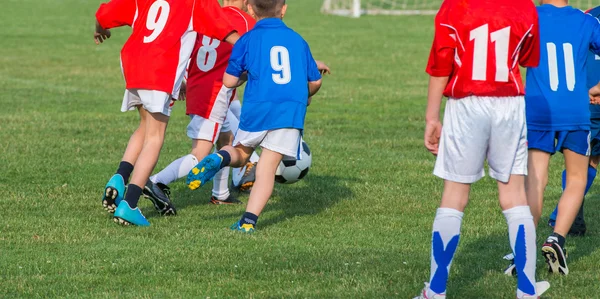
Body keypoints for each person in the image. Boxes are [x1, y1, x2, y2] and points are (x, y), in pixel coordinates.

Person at [415, 0, 550, 297]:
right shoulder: (525, 7)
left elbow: (441, 64)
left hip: (467, 103)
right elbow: (528, 57)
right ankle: (526, 290)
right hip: (508, 103)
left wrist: (431, 117)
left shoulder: (454, 5)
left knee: (454, 195)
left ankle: (436, 291)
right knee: (514, 196)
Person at [94, 0, 240, 226]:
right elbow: (226, 30)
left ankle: (120, 177)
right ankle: (130, 205)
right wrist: (252, 51)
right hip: (159, 69)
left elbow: (104, 13)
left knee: (144, 127)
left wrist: (100, 29)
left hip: (133, 62)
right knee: (155, 137)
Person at [185, 0, 324, 234]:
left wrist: (245, 76)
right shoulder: (298, 41)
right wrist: (304, 94)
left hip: (257, 107)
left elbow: (229, 81)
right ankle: (248, 221)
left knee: (240, 153)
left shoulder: (247, 39)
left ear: (250, 9)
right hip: (289, 111)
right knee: (267, 167)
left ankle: (220, 158)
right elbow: (315, 81)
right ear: (284, 9)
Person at [145, 0, 257, 206]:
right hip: (214, 96)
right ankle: (155, 181)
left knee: (226, 139)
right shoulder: (245, 21)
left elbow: (188, 50)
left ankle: (220, 194)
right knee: (200, 154)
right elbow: (256, 53)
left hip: (198, 87)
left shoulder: (207, 16)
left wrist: (182, 80)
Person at [522, 0, 600, 275]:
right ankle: (556, 239)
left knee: (537, 178)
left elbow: (518, 55)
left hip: (539, 110)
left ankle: (525, 249)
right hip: (576, 110)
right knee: (577, 178)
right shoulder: (586, 20)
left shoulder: (529, 16)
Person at [547, 5, 600, 237]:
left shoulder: (587, 15)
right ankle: (563, 217)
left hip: (583, 96)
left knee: (588, 157)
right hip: (593, 95)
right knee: (589, 160)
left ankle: (564, 216)